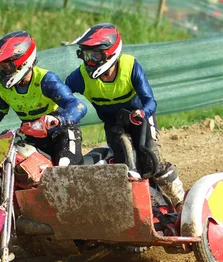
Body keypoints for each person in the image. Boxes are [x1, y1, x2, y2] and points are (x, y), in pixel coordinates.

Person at [65, 23, 185, 211]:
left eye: (95, 55)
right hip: (114, 125)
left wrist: (142, 112)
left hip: (140, 119)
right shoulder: (80, 77)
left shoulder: (130, 67)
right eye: (85, 54)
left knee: (151, 162)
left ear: (110, 53)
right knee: (130, 169)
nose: (89, 61)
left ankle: (180, 200)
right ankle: (155, 208)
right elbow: (60, 96)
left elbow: (150, 101)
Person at [0, 31, 87, 166]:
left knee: (65, 167)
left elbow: (78, 105)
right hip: (31, 134)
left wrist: (58, 119)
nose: (2, 71)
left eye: (7, 66)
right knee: (16, 163)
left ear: (24, 62)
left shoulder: (46, 80)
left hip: (61, 133)